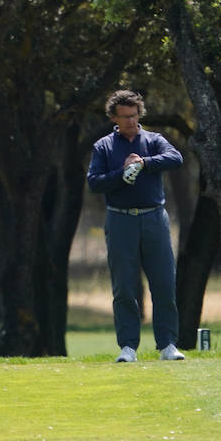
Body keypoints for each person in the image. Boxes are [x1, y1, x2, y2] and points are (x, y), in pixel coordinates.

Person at [86, 90, 185, 362]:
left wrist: (144, 163)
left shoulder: (153, 141)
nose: (131, 121)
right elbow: (94, 181)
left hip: (154, 218)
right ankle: (128, 347)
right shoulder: (104, 146)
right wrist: (121, 173)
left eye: (134, 115)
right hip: (120, 220)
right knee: (125, 286)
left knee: (164, 282)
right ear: (114, 118)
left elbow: (176, 158)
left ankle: (167, 345)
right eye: (125, 116)